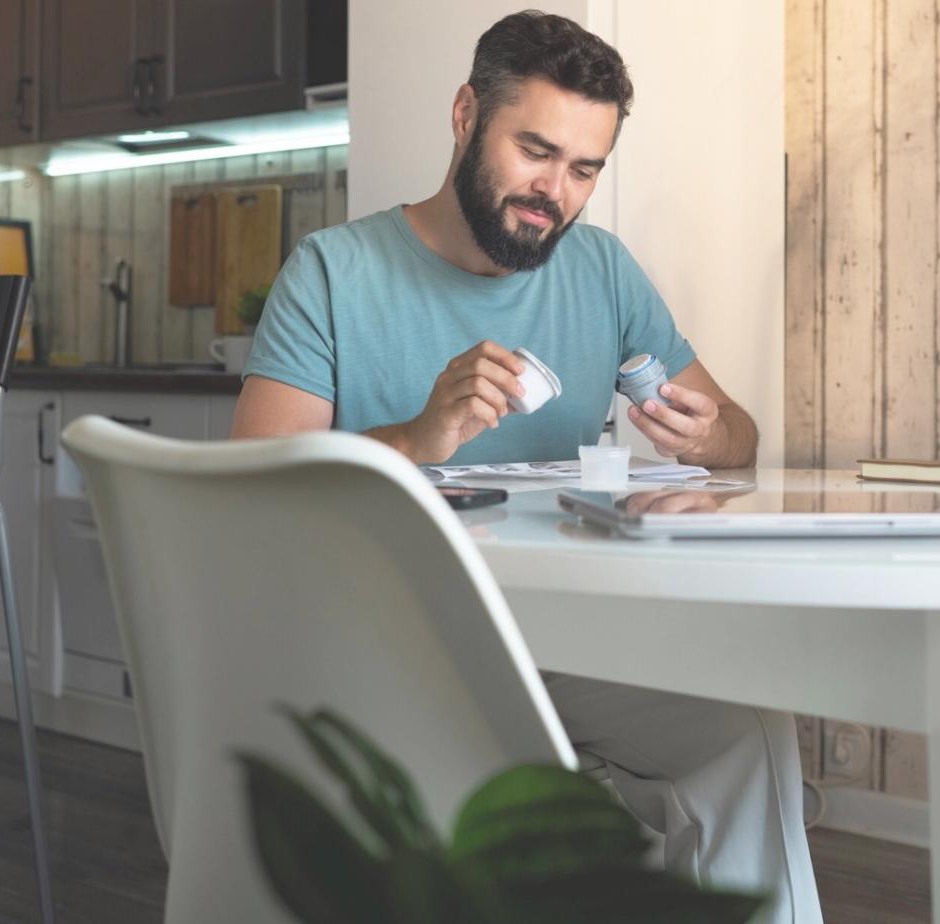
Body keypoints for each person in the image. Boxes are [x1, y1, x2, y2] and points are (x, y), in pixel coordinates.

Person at [230, 11, 820, 922]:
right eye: (535, 150)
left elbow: (738, 435)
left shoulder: (601, 271)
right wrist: (416, 439)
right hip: (392, 646)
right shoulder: (333, 273)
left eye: (584, 168)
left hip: (568, 640)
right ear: (466, 114)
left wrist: (706, 438)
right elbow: (253, 486)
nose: (555, 191)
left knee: (744, 734)